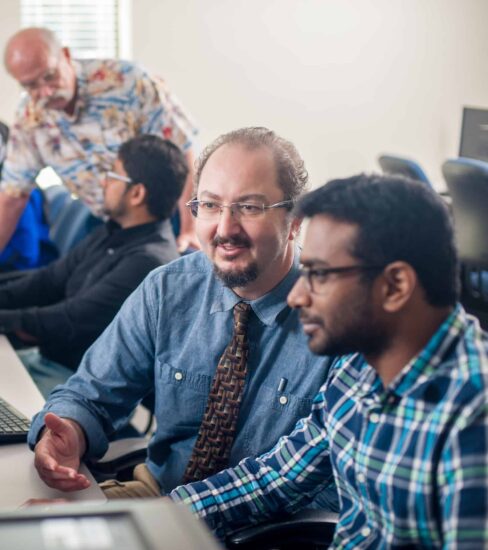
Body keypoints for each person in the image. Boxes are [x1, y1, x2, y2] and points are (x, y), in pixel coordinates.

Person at [169, 174, 488, 548]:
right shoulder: (360, 365)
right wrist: (159, 517)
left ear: (395, 286)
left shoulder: (473, 419)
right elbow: (277, 478)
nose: (297, 297)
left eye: (318, 275)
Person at [28, 127, 337, 510]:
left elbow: (307, 480)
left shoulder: (337, 320)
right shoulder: (168, 289)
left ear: (294, 220)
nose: (225, 229)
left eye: (250, 207)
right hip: (159, 495)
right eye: (209, 205)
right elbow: (90, 393)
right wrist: (66, 432)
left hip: (273, 529)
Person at [0, 134, 187, 398]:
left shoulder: (148, 261)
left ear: (136, 193)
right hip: (45, 363)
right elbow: (47, 280)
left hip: (77, 386)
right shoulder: (112, 231)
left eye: (113, 175)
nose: (104, 182)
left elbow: (69, 320)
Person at [0, 27, 199, 255]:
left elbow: (182, 152)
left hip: (165, 218)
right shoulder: (29, 121)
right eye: (31, 85)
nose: (45, 92)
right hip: (107, 222)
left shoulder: (126, 81)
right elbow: (12, 197)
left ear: (65, 55)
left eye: (50, 76)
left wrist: (190, 229)